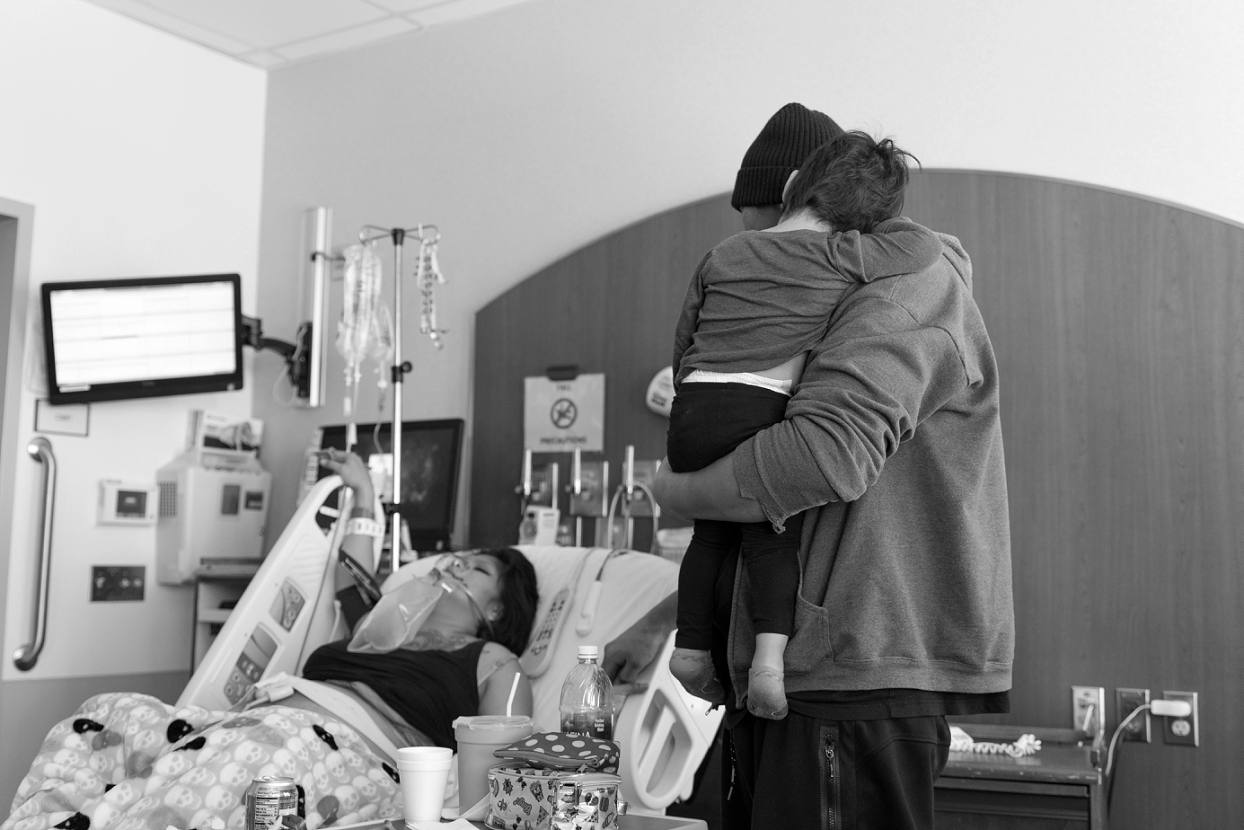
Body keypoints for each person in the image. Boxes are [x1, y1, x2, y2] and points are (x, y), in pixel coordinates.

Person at [651, 106, 1014, 829]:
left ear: (801, 196)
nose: (763, 251)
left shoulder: (912, 289)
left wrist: (676, 491)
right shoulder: (833, 285)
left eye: (766, 221)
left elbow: (822, 456)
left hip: (853, 672)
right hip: (786, 673)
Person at [2, 450, 540, 830]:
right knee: (101, 717)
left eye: (474, 569)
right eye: (455, 558)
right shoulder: (379, 629)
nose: (452, 566)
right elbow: (353, 573)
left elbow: (504, 759)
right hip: (252, 723)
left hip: (340, 752)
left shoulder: (492, 660)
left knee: (242, 766)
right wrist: (363, 491)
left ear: (495, 610)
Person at [667, 129, 939, 721]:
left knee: (708, 537)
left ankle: (689, 649)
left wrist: (689, 396)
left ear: (792, 186)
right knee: (771, 536)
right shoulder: (844, 255)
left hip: (692, 406)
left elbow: (684, 335)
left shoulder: (723, 254)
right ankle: (769, 662)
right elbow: (921, 248)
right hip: (755, 405)